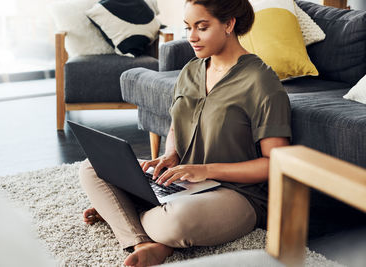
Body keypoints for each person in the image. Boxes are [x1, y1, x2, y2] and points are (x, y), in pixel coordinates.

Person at [79, 0, 292, 266]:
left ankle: (122, 213)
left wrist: (206, 170)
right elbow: (176, 123)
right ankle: (144, 242)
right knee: (92, 167)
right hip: (183, 181)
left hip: (238, 194)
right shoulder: (191, 69)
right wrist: (170, 154)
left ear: (229, 24)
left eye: (201, 27)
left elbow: (276, 164)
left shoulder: (261, 82)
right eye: (188, 27)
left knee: (175, 223)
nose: (191, 37)